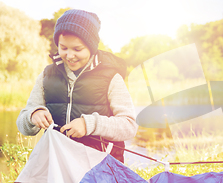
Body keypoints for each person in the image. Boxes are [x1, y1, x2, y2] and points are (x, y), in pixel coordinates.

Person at [17, 9, 138, 163]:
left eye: (77, 49)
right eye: (63, 47)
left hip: (101, 168)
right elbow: (23, 125)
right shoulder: (46, 76)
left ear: (91, 47)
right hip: (60, 166)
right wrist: (33, 115)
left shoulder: (111, 77)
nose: (69, 55)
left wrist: (89, 124)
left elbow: (129, 126)